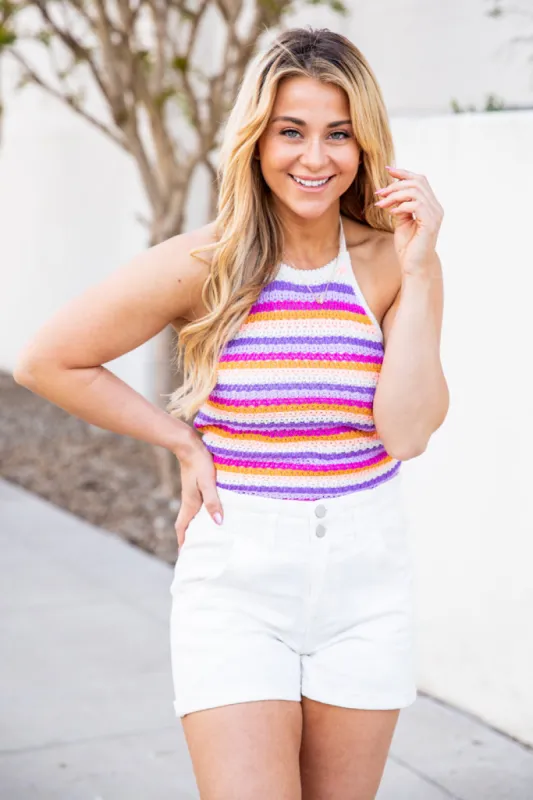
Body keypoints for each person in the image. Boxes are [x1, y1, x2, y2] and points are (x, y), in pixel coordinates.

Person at [14, 25, 447, 800]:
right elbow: (49, 359)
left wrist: (419, 270)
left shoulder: (391, 261)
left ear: (363, 143)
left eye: (337, 134)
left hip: (365, 578)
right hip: (240, 581)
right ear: (257, 139)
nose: (314, 158)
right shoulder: (208, 262)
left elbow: (407, 432)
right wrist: (180, 440)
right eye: (291, 132)